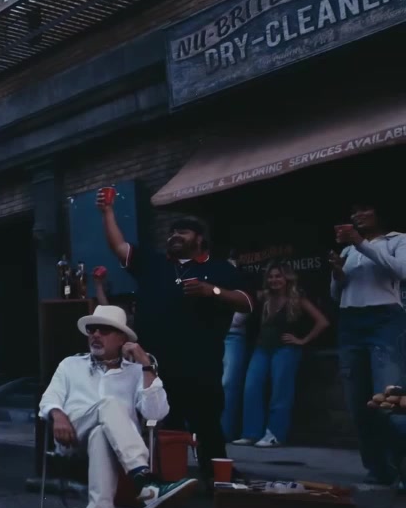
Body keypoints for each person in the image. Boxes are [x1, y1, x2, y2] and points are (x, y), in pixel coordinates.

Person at [97, 192, 252, 482]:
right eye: (171, 232)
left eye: (182, 231)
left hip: (201, 363)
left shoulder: (219, 269)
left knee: (207, 423)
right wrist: (107, 212)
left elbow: (247, 302)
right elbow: (119, 247)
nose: (174, 236)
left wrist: (212, 291)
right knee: (166, 422)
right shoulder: (154, 263)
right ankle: (171, 478)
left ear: (199, 239)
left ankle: (216, 477)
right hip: (156, 363)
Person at [39, 305, 197, 508]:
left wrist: (146, 364)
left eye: (104, 330)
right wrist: (57, 414)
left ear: (122, 338)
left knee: (101, 435)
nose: (95, 335)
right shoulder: (70, 365)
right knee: (109, 405)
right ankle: (146, 483)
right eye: (92, 330)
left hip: (113, 445)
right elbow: (48, 399)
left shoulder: (136, 372)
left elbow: (156, 413)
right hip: (72, 435)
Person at [330, 198, 406, 484]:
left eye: (364, 209)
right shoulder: (348, 249)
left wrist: (361, 243)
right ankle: (377, 469)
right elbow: (336, 294)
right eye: (353, 211)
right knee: (358, 402)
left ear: (379, 213)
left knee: (387, 400)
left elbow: (402, 271)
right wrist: (337, 273)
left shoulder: (397, 240)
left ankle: (400, 468)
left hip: (384, 320)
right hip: (350, 322)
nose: (357, 215)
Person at [236, 261, 329, 448]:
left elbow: (322, 322)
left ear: (287, 278)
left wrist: (302, 340)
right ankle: (251, 433)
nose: (274, 280)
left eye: (278, 276)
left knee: (280, 391)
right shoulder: (264, 297)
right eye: (271, 277)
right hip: (262, 348)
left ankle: (274, 434)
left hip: (285, 349)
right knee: (251, 388)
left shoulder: (297, 298)